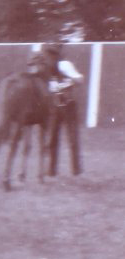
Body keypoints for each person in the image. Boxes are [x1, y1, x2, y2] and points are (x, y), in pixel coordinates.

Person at [43, 42, 84, 177]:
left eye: (52, 54)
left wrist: (63, 85)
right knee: (53, 138)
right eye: (48, 54)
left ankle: (76, 171)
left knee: (72, 138)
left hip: (68, 105)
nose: (49, 57)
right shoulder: (47, 69)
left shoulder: (65, 65)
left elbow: (80, 79)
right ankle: (51, 171)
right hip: (55, 106)